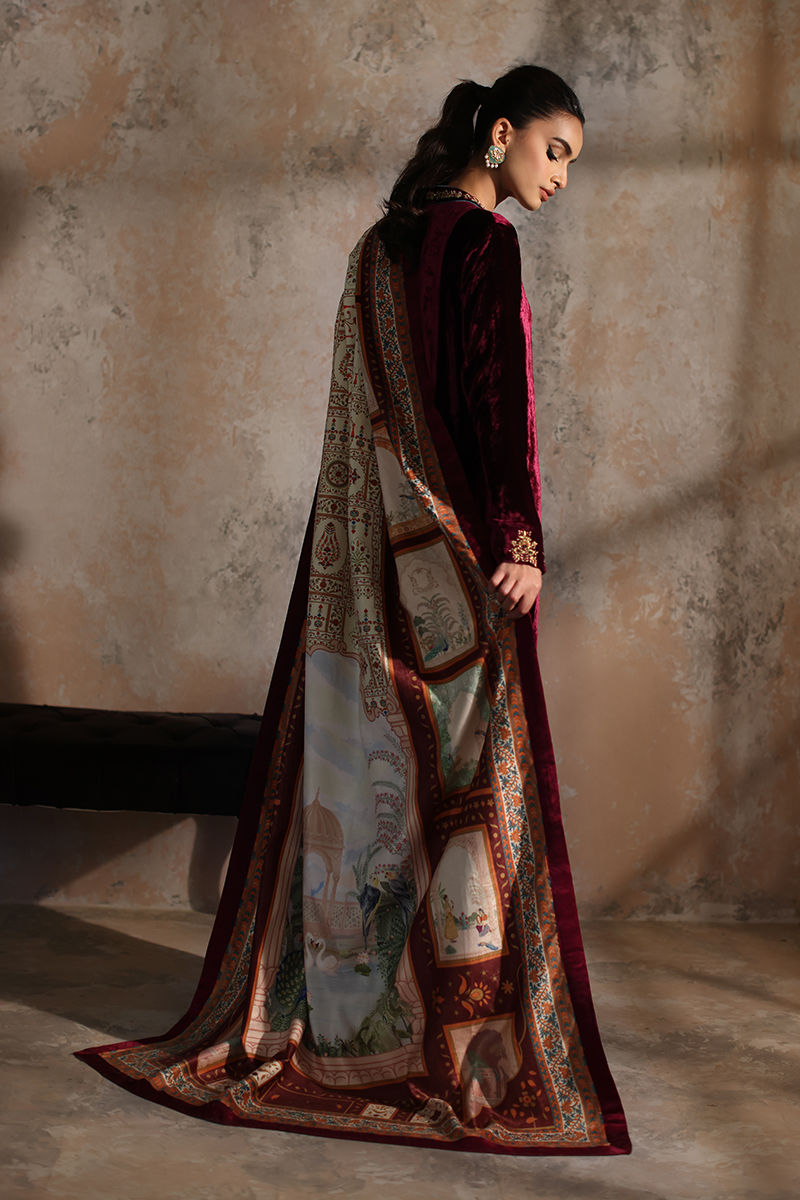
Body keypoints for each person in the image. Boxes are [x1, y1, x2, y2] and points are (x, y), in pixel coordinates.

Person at [77, 64, 631, 1156]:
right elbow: (496, 411)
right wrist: (517, 543)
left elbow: (358, 431)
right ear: (501, 133)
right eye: (554, 151)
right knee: (469, 795)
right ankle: (459, 1040)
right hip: (456, 569)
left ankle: (347, 1023)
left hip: (366, 575)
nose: (561, 177)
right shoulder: (483, 245)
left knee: (365, 784)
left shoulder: (379, 247)